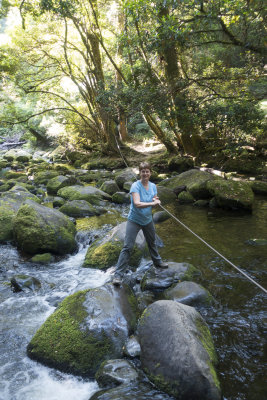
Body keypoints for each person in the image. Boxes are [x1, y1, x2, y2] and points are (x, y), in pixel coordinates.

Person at [113, 162, 168, 285]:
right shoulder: (135, 186)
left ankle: (157, 262)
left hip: (147, 220)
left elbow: (154, 197)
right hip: (134, 220)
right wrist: (152, 204)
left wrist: (156, 200)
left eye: (147, 171)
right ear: (140, 173)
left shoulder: (153, 185)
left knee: (152, 242)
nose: (145, 174)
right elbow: (137, 203)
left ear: (150, 173)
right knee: (127, 246)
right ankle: (118, 275)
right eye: (143, 171)